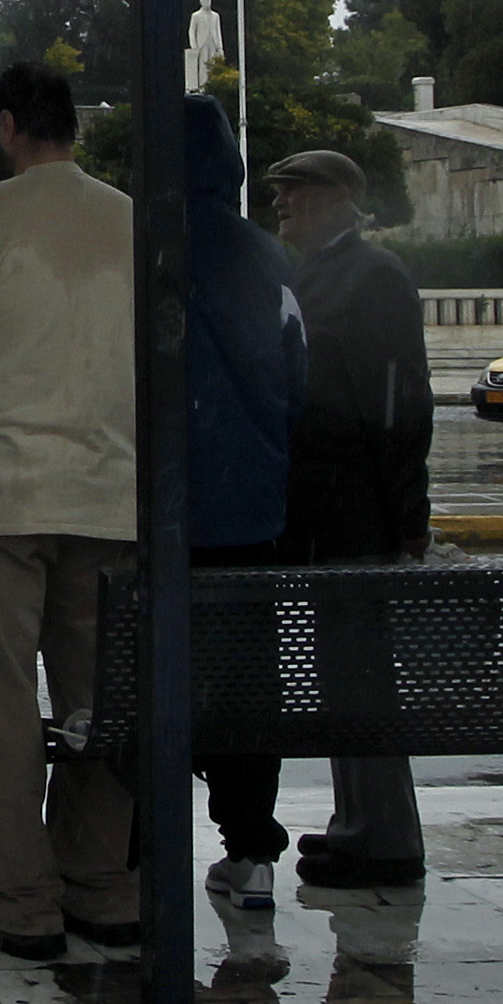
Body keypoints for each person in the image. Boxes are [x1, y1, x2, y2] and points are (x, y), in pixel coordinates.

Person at [0, 62, 139, 961]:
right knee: (99, 703)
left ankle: (18, 899)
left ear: (8, 124)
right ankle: (98, 881)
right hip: (111, 496)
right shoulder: (131, 219)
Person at [259, 147, 434, 893]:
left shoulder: (372, 277)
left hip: (356, 506)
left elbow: (398, 407)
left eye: (292, 193)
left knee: (360, 675)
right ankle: (357, 826)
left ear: (333, 198)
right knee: (343, 674)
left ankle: (385, 837)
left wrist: (407, 515)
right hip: (325, 504)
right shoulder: (317, 274)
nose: (279, 206)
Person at [180, 100, 310, 904]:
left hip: (164, 512)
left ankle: (130, 847)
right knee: (245, 685)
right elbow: (296, 376)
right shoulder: (267, 257)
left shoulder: (149, 243)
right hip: (252, 511)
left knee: (147, 680)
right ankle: (250, 847)